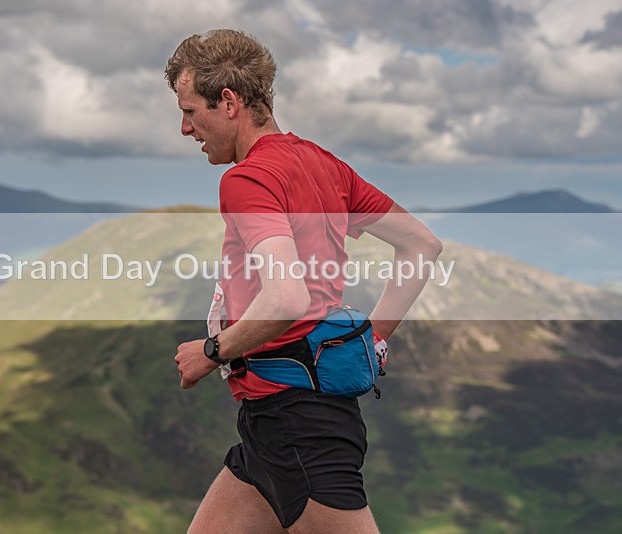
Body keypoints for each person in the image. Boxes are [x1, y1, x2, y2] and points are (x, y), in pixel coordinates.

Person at [167, 29, 442, 534]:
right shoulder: (323, 165)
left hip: (300, 425)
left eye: (189, 111)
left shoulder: (247, 178)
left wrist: (212, 351)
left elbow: (287, 296)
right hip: (270, 426)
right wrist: (373, 339)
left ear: (228, 102)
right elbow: (421, 245)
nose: (185, 127)